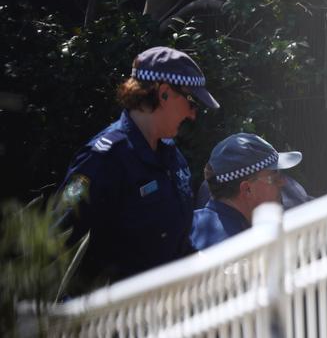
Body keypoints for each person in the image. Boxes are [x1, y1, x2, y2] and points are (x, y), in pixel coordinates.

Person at [56, 46, 220, 293]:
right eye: (191, 101)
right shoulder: (103, 159)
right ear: (164, 93)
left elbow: (176, 244)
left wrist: (217, 271)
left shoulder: (172, 156)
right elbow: (55, 239)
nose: (192, 114)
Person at [190, 133, 302, 250]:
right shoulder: (244, 249)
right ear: (247, 189)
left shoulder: (187, 225)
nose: (282, 182)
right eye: (274, 178)